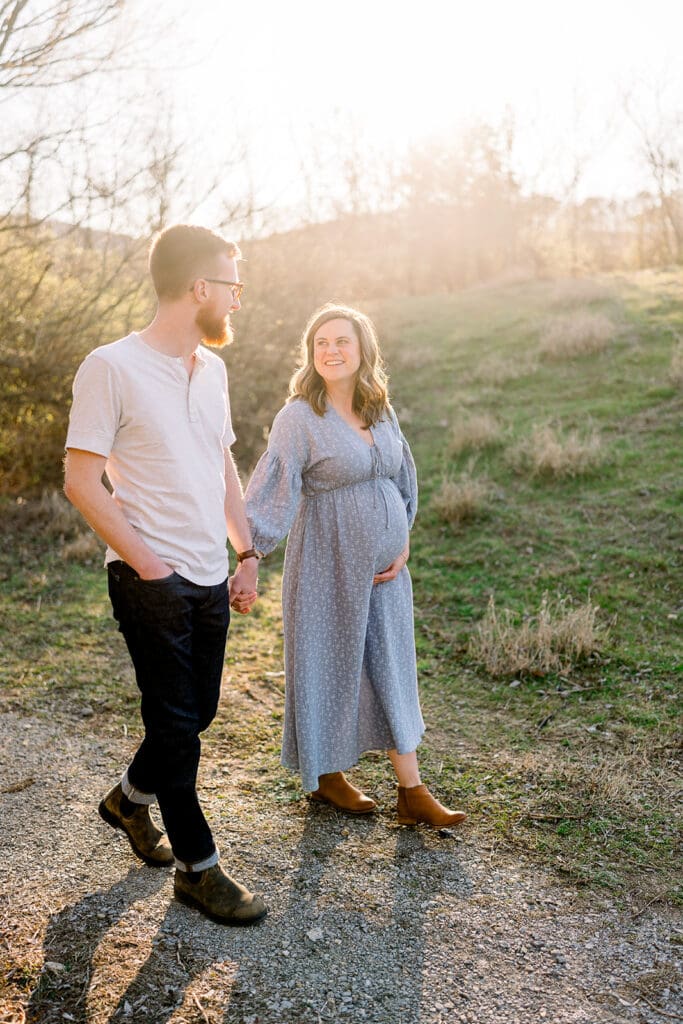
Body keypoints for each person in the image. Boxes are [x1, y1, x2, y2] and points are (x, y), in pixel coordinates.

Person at [64, 224, 266, 925]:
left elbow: (220, 467)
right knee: (177, 725)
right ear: (199, 287)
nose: (237, 301)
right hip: (149, 580)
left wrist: (245, 553)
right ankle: (198, 867)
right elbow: (81, 479)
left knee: (195, 714)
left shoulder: (213, 371)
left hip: (211, 573)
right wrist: (146, 562)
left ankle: (127, 800)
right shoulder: (110, 366)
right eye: (232, 287)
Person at [245, 304, 467, 827]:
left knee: (390, 666)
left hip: (387, 572)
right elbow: (272, 488)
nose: (331, 350)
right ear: (310, 354)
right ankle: (326, 777)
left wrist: (401, 538)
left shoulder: (378, 408)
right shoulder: (299, 417)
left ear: (363, 348)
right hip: (325, 561)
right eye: (321, 342)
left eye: (342, 340)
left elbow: (400, 476)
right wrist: (248, 553)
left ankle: (411, 792)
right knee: (326, 663)